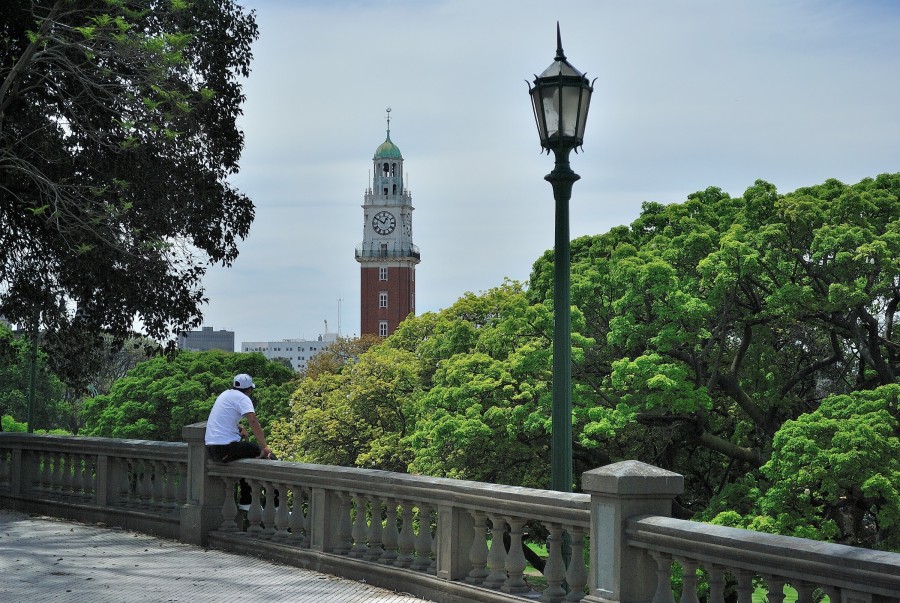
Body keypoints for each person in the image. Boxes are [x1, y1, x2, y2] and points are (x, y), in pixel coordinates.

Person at [205, 373, 275, 462]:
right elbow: (253, 421)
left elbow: (223, 419)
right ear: (249, 390)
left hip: (211, 450)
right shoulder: (243, 398)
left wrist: (239, 429)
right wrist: (264, 447)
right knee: (262, 452)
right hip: (224, 449)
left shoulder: (224, 394)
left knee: (247, 448)